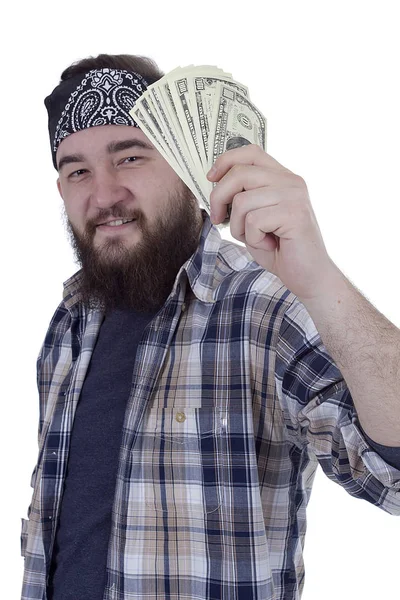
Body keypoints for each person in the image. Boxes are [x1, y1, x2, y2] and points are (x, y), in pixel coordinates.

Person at [20, 53, 400, 600]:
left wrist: (319, 280)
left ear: (184, 158)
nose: (102, 195)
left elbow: (392, 479)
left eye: (129, 157)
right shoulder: (68, 324)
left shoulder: (264, 306)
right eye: (76, 170)